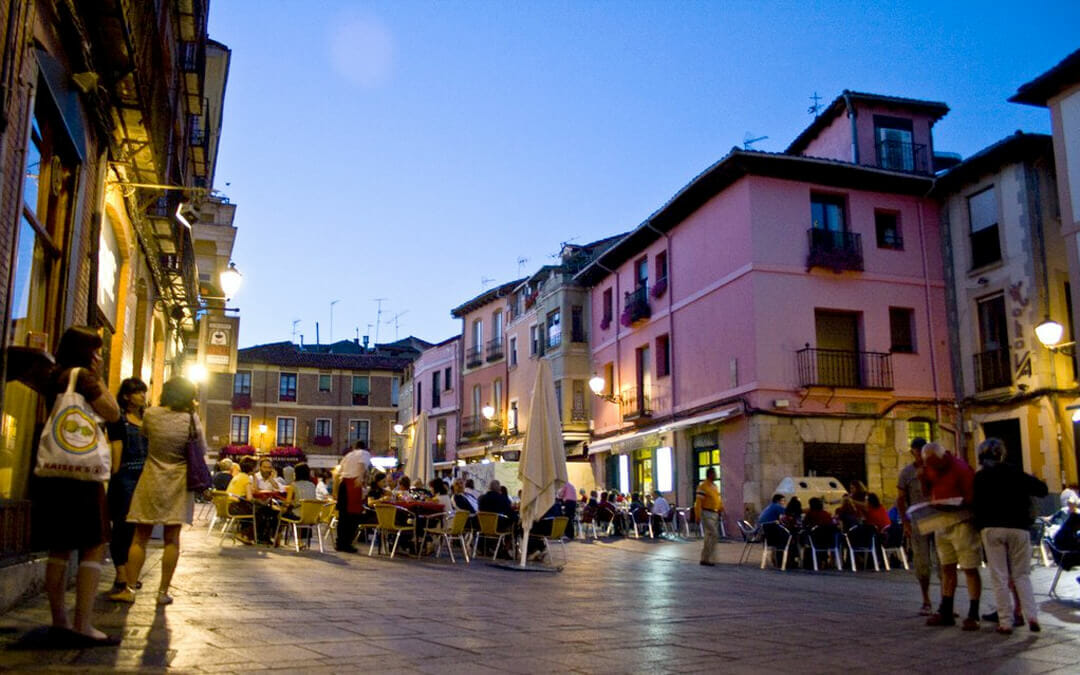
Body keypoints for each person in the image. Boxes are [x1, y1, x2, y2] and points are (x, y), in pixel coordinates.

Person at [37, 327, 121, 646]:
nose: (99, 356)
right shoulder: (84, 378)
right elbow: (111, 412)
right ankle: (83, 624)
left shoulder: (54, 376)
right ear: (86, 351)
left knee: (58, 546)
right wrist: (98, 379)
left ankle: (59, 620)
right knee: (93, 543)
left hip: (54, 470)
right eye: (96, 350)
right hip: (83, 475)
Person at [113, 377, 204, 606]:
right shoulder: (191, 419)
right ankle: (162, 592)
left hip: (151, 477)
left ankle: (130, 589)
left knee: (139, 537)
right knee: (172, 539)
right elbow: (200, 449)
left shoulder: (151, 414)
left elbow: (145, 436)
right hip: (179, 481)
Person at [973, 438, 1047, 634]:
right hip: (1018, 527)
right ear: (1001, 454)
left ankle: (1005, 621)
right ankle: (1032, 616)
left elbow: (976, 505)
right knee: (1022, 575)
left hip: (992, 528)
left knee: (999, 576)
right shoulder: (1015, 472)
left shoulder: (980, 477)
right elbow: (1042, 490)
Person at [922, 442, 982, 631]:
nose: (931, 467)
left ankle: (973, 613)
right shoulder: (931, 468)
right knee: (946, 566)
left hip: (961, 522)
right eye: (928, 464)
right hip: (941, 522)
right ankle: (946, 610)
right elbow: (928, 491)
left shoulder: (961, 468)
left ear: (942, 457)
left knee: (969, 567)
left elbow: (972, 497)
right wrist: (924, 480)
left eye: (933, 463)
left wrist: (953, 504)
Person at [105, 378, 149, 597]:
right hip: (124, 476)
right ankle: (121, 573)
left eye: (144, 392)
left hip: (144, 478)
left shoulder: (147, 420)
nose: (142, 396)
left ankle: (129, 573)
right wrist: (115, 475)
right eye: (138, 392)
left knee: (137, 529)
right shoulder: (117, 419)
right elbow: (116, 447)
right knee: (122, 527)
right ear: (126, 396)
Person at [896, 436, 935, 615]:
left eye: (922, 450)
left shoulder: (935, 469)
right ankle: (926, 599)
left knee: (945, 562)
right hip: (918, 521)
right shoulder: (907, 473)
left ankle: (946, 600)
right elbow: (900, 499)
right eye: (916, 450)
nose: (919, 454)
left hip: (938, 518)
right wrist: (905, 523)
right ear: (912, 451)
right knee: (922, 562)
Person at [335, 440, 371, 552]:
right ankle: (347, 544)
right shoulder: (364, 453)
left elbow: (338, 473)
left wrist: (335, 491)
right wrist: (360, 478)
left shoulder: (348, 455)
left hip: (343, 484)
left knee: (342, 516)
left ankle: (340, 542)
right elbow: (361, 464)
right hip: (353, 484)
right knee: (353, 516)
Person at [694, 467, 723, 566]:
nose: (716, 475)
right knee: (714, 534)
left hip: (714, 513)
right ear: (709, 474)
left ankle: (705, 558)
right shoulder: (703, 486)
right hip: (706, 513)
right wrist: (697, 515)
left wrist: (720, 508)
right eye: (714, 474)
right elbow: (698, 502)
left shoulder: (714, 486)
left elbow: (717, 498)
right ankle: (709, 558)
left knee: (708, 536)